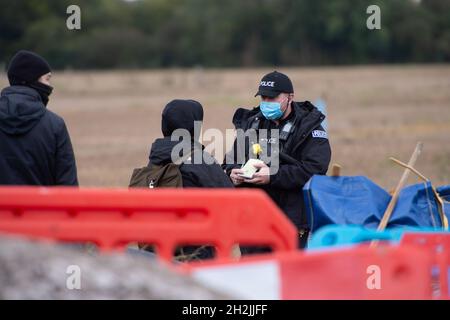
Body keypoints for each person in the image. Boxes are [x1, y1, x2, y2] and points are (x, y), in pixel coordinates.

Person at [223, 71, 331, 249]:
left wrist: (272, 175)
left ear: (290, 97)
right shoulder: (251, 123)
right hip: (253, 220)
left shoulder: (309, 128)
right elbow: (230, 160)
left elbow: (314, 170)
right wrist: (232, 172)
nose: (266, 103)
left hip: (291, 221)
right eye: (263, 98)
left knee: (289, 274)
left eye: (272, 98)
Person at [146, 99, 233, 260]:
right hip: (195, 252)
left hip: (156, 249)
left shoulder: (155, 157)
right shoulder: (198, 158)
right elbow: (231, 197)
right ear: (195, 127)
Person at [0, 50, 78, 186]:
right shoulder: (55, 125)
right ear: (32, 79)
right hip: (42, 207)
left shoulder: (54, 124)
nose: (49, 86)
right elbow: (68, 186)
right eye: (47, 78)